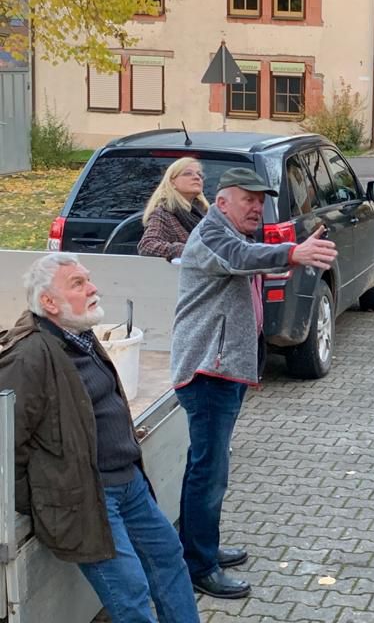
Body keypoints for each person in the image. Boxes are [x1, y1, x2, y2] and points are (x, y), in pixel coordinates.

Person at [0, 253, 200, 623]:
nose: (93, 288)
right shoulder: (28, 355)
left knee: (169, 559)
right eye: (78, 284)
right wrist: (47, 499)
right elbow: (6, 446)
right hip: (89, 498)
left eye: (88, 279)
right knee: (131, 595)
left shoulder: (80, 334)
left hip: (130, 482)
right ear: (49, 302)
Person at [171, 167, 337, 599]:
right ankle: (199, 566)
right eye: (248, 199)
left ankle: (199, 547)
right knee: (210, 473)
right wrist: (294, 253)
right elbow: (242, 258)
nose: (257, 207)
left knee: (206, 467)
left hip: (224, 369)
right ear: (222, 202)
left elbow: (248, 255)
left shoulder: (230, 233)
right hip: (208, 372)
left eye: (261, 200)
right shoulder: (213, 235)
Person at [138, 156, 209, 260]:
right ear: (172, 182)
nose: (197, 177)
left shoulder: (205, 213)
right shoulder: (163, 213)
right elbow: (147, 245)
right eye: (188, 173)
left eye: (200, 174)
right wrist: (188, 250)